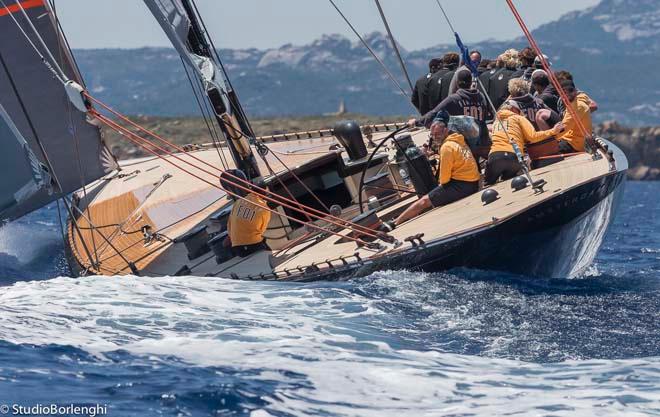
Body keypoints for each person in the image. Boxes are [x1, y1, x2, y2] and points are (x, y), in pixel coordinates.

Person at [387, 111, 480, 228]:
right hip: (473, 182)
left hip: (462, 186)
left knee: (424, 201)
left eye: (438, 135)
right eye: (433, 135)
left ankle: (394, 223)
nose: (435, 138)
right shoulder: (459, 140)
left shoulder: (446, 147)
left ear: (446, 130)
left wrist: (435, 193)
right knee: (433, 196)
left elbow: (444, 180)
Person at [409, 69, 490, 158]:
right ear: (471, 82)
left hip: (464, 145)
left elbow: (434, 113)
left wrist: (416, 122)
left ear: (457, 83)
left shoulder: (454, 99)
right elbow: (485, 117)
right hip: (482, 142)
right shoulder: (481, 98)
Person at [485, 101, 565, 185]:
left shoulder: (496, 122)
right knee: (511, 184)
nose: (520, 113)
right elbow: (533, 137)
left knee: (488, 185)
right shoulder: (518, 118)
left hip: (494, 157)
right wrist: (553, 131)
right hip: (514, 157)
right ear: (513, 109)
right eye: (519, 111)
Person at [220, 169, 272, 257]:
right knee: (263, 243)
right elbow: (262, 230)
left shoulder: (237, 204)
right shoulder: (263, 207)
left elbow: (230, 228)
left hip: (239, 250)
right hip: (254, 245)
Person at [556, 80, 593, 153]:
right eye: (564, 91)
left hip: (575, 144)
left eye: (570, 90)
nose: (568, 93)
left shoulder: (578, 107)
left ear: (576, 91)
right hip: (570, 139)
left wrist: (548, 137)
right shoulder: (573, 103)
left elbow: (564, 127)